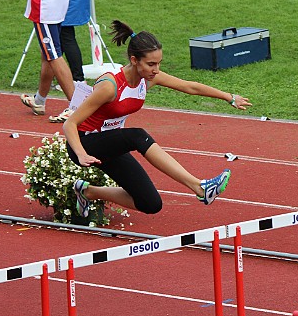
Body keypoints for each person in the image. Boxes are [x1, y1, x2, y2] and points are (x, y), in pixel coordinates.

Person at [62, 20, 252, 217]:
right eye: (151, 64)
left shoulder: (149, 79)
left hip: (111, 143)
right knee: (137, 136)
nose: (157, 70)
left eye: (159, 63)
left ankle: (86, 191)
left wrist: (229, 97)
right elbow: (70, 123)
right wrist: (81, 154)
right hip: (84, 144)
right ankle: (200, 188)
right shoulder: (110, 86)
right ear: (134, 60)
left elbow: (190, 87)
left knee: (150, 204)